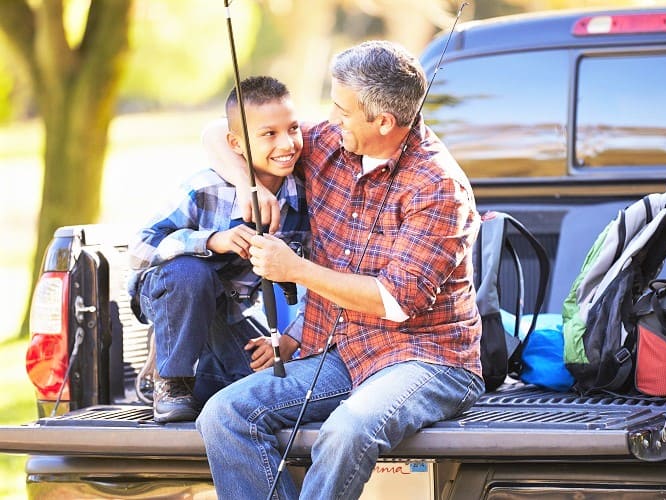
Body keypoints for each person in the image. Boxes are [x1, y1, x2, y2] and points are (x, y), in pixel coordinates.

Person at [197, 40, 483, 499]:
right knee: (224, 415)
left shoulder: (438, 187)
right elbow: (218, 131)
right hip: (345, 352)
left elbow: (395, 301)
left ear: (383, 122)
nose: (330, 119)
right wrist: (246, 185)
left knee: (347, 429)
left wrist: (297, 269)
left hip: (428, 359)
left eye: (342, 110)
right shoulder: (334, 143)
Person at [128, 76, 310, 423]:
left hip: (229, 312)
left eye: (293, 129)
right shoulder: (206, 187)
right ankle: (171, 380)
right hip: (170, 293)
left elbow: (321, 275)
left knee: (264, 391)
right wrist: (210, 241)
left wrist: (291, 338)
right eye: (269, 134)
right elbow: (138, 249)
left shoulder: (302, 199)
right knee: (191, 272)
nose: (287, 143)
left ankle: (203, 384)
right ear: (236, 144)